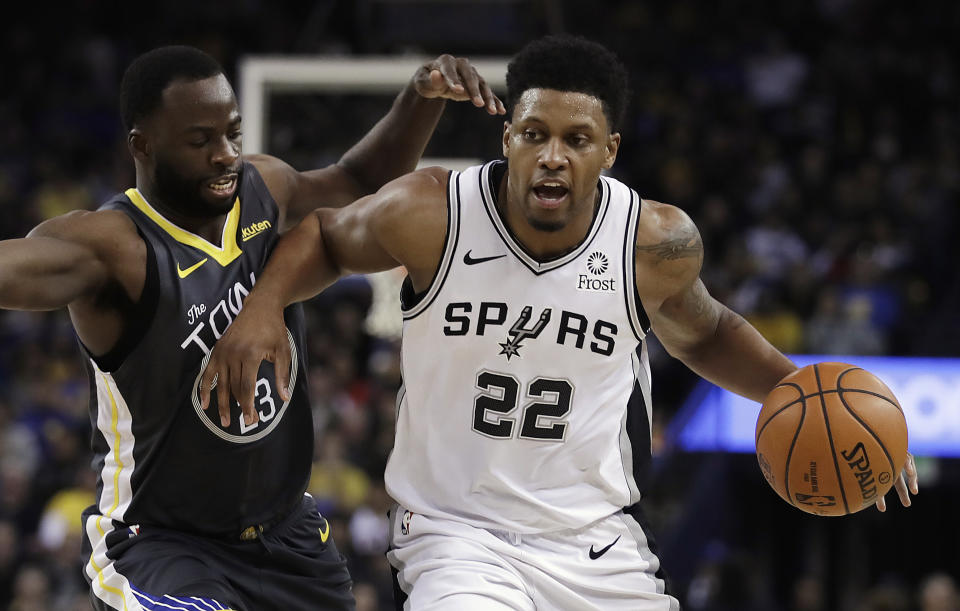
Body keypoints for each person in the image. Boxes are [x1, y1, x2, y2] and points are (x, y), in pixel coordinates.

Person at [201, 36, 919, 610]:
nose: (553, 155)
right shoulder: (430, 212)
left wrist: (809, 396)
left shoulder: (654, 242)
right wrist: (261, 309)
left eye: (577, 139)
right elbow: (325, 234)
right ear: (507, 136)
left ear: (609, 151)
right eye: (535, 133)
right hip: (457, 537)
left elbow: (706, 331)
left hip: (596, 542)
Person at [0, 44, 503, 610]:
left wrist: (420, 99)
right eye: (200, 141)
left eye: (232, 134)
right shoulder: (111, 247)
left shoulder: (263, 189)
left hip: (286, 537)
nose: (225, 155)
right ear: (142, 145)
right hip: (163, 546)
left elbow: (359, 179)